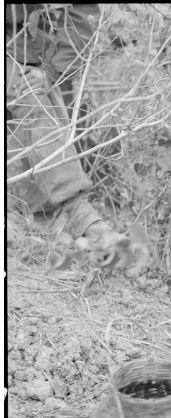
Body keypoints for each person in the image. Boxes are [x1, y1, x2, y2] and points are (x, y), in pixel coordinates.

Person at [6, 3, 121, 250]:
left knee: (32, 96)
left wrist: (51, 69)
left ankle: (69, 216)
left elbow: (82, 13)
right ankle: (70, 216)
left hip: (31, 54)